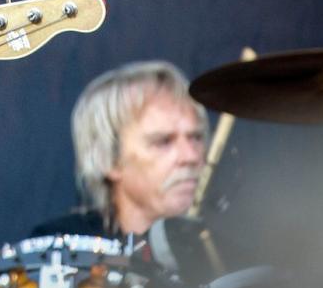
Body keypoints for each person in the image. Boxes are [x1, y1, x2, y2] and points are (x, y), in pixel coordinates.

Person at [31, 60, 207, 238]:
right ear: (109, 159)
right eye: (163, 142)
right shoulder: (62, 247)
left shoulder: (223, 251)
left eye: (196, 138)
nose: (190, 156)